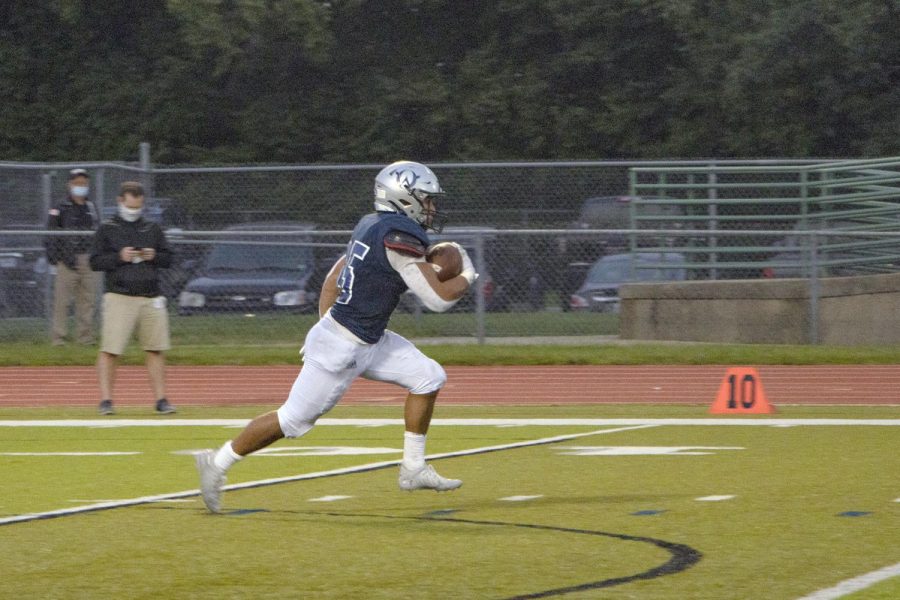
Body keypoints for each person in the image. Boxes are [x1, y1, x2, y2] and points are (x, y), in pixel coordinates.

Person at [194, 160, 478, 513]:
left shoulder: (372, 224)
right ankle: (217, 464)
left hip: (365, 338)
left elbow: (335, 274)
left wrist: (327, 323)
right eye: (426, 198)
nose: (432, 207)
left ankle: (413, 468)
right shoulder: (397, 237)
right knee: (292, 421)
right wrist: (467, 273)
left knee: (429, 376)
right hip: (344, 345)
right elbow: (437, 300)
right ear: (405, 197)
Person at [89, 181, 176, 416]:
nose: (133, 211)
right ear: (120, 201)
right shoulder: (107, 228)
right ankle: (106, 400)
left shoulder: (152, 229)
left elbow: (169, 259)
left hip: (150, 296)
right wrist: (120, 257)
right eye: (130, 206)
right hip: (119, 295)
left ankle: (161, 399)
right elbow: (95, 262)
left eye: (138, 207)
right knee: (111, 349)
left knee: (155, 348)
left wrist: (154, 255)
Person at [45, 168, 101, 345]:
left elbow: (98, 231)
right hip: (66, 260)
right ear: (69, 184)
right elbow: (50, 233)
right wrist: (55, 258)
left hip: (88, 259)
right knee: (62, 301)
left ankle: (85, 337)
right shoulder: (60, 207)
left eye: (84, 183)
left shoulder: (91, 207)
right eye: (77, 183)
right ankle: (58, 338)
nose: (81, 186)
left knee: (87, 301)